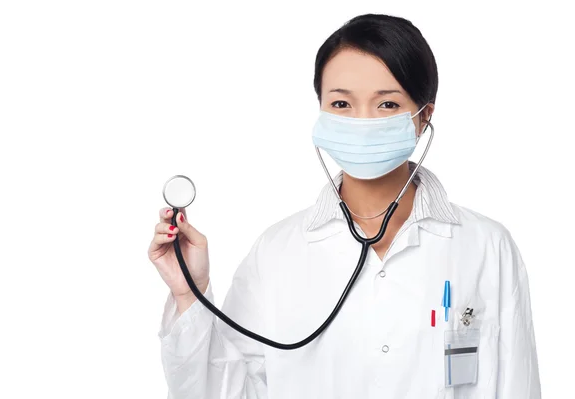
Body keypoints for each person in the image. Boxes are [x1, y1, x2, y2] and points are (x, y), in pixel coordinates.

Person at [148, 13, 541, 398]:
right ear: (321, 110)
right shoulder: (276, 252)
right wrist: (190, 294)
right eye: (341, 104)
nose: (363, 121)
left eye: (386, 105)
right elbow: (222, 391)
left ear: (424, 116)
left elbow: (518, 385)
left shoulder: (488, 247)